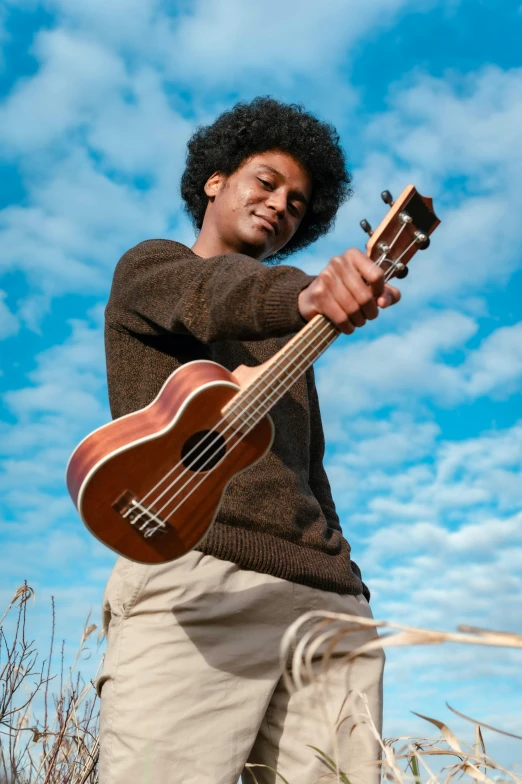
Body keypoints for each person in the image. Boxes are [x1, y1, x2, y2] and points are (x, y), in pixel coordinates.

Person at [97, 96, 399, 784]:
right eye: (266, 181)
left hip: (326, 605)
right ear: (215, 180)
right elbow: (214, 292)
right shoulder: (149, 269)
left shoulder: (293, 335)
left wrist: (348, 582)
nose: (280, 204)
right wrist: (309, 294)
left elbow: (310, 474)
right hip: (199, 579)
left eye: (297, 204)